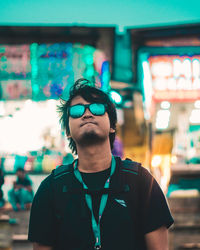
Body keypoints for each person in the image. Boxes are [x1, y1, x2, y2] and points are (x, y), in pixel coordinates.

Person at [28, 78, 174, 250]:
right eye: (76, 111)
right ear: (67, 131)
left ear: (112, 125)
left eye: (97, 108)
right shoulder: (50, 189)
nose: (87, 114)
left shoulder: (142, 183)